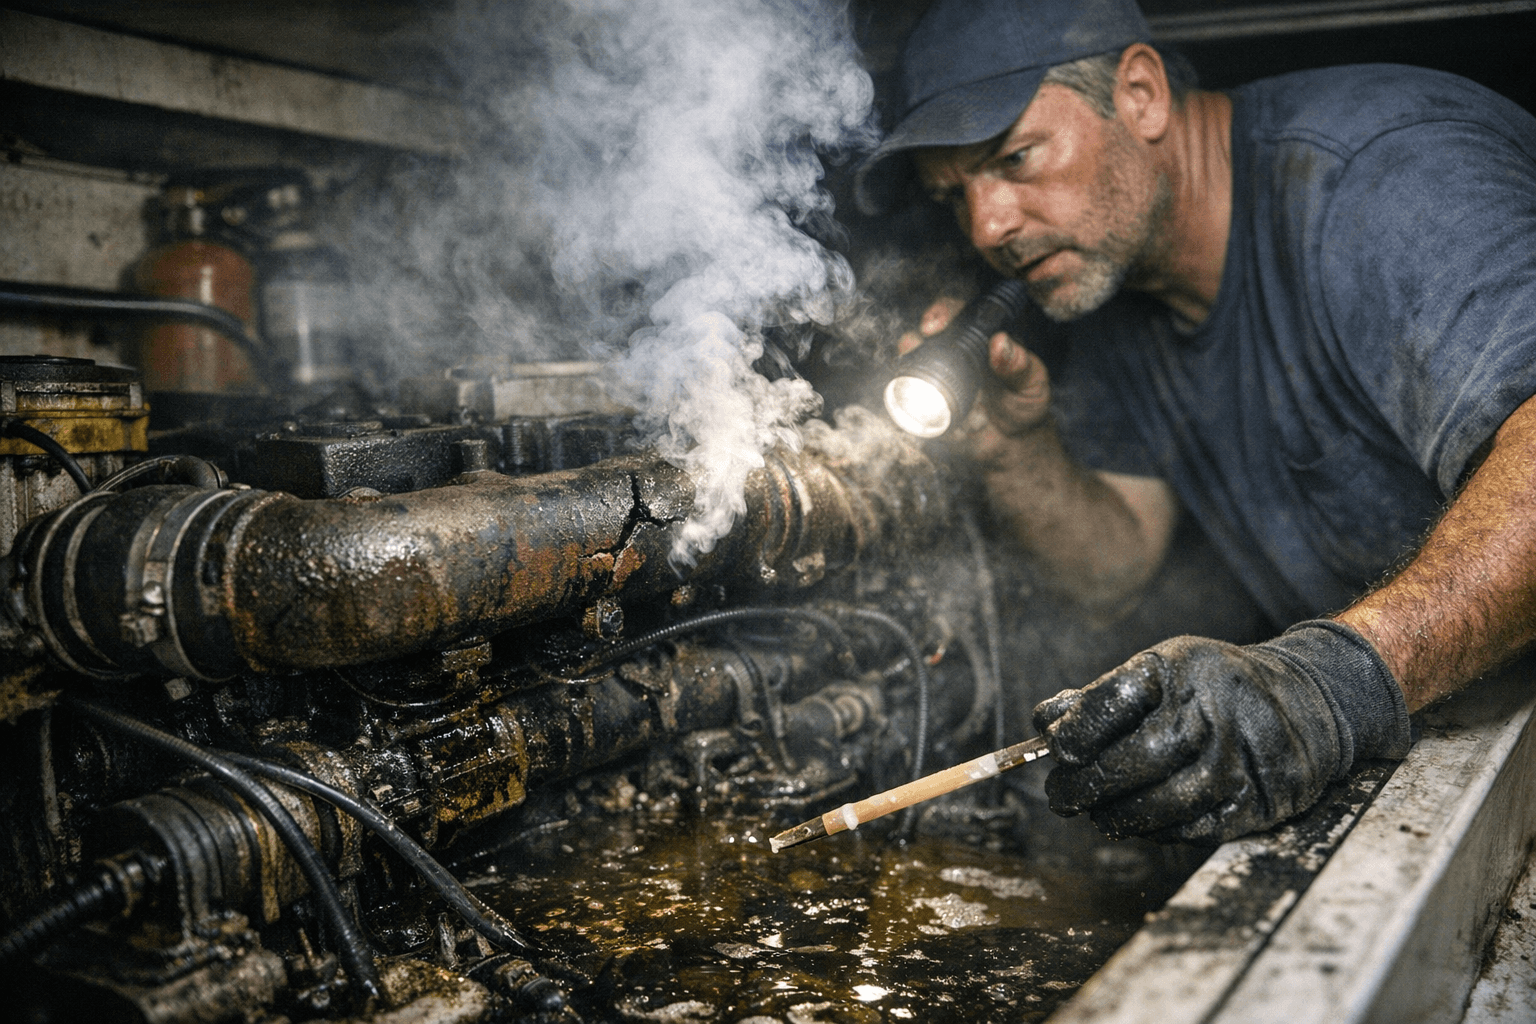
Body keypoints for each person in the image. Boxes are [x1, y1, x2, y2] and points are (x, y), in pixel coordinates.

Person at [854, 0, 1536, 844]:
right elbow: (1117, 564)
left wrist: (1330, 685)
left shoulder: (1381, 175)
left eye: (1015, 158)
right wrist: (1008, 446)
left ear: (1140, 93)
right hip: (1449, 739)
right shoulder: (1116, 285)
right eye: (955, 195)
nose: (988, 226)